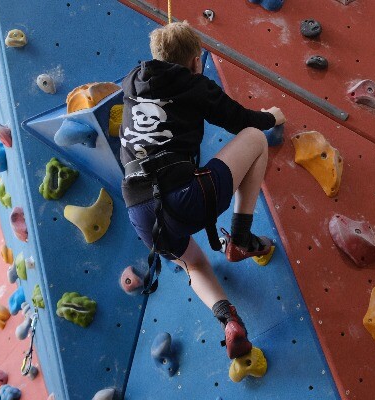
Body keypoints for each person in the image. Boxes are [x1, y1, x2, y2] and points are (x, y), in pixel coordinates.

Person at [119, 21, 286, 360]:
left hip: (139, 209)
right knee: (254, 140)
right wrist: (271, 118)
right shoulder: (195, 84)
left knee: (193, 264)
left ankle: (228, 317)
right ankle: (240, 237)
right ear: (196, 61)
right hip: (184, 195)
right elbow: (241, 120)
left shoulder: (130, 89)